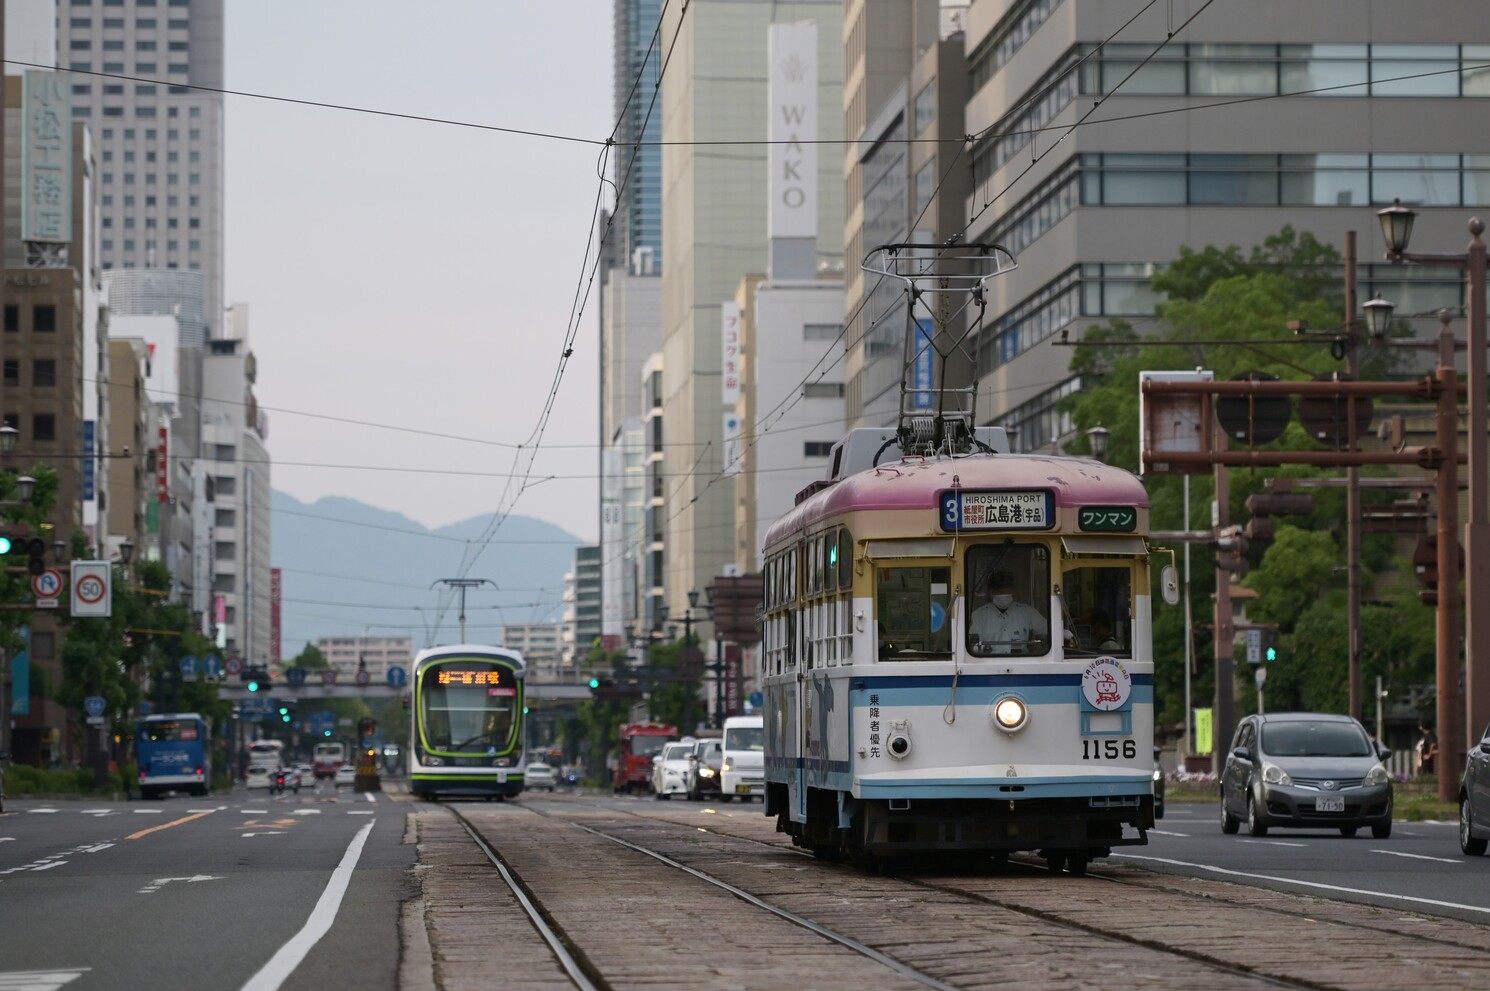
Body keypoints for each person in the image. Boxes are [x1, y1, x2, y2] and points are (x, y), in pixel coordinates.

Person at [969, 570, 1048, 654]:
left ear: (1013, 590)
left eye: (1007, 592)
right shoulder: (979, 615)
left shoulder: (1027, 612)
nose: (1004, 595)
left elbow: (1048, 631)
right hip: (989, 664)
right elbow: (972, 644)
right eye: (1000, 592)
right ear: (991, 592)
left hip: (1021, 663)